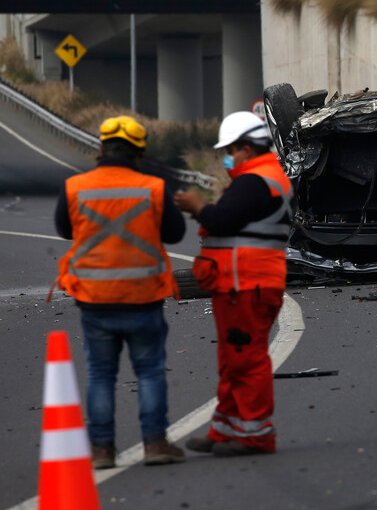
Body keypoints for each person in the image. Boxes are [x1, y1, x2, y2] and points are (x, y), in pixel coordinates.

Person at [53, 115, 186, 468]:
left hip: (95, 301)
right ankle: (155, 444)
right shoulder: (154, 188)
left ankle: (101, 451)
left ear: (100, 148)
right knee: (150, 371)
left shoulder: (75, 187)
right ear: (139, 153)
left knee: (100, 374)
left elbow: (65, 230)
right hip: (144, 298)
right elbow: (174, 234)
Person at [174, 111, 292, 457]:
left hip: (248, 286)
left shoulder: (255, 180)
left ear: (245, 148)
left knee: (247, 359)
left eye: (229, 150)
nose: (227, 157)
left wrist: (198, 208)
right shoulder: (264, 178)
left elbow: (223, 220)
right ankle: (224, 428)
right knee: (232, 359)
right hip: (243, 284)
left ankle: (256, 434)